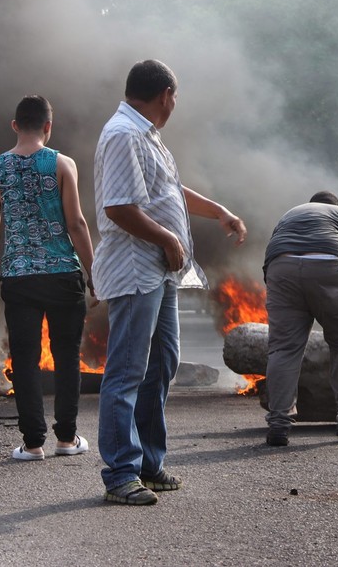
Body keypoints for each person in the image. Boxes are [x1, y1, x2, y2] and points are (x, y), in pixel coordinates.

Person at [93, 59, 247, 505]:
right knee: (126, 371)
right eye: (174, 98)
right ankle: (121, 474)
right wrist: (166, 238)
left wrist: (219, 211)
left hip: (157, 271)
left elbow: (169, 192)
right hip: (135, 269)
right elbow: (118, 207)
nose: (175, 105)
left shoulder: (147, 137)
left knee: (162, 362)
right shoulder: (123, 134)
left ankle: (148, 465)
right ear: (165, 95)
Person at [0, 95, 96, 462]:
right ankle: (67, 439)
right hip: (63, 275)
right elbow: (76, 223)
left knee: (25, 359)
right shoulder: (62, 164)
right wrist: (95, 273)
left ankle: (32, 444)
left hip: (19, 276)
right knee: (65, 356)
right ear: (48, 126)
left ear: (15, 125)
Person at [262, 191, 338, 447]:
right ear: (336, 207)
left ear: (311, 206)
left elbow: (273, 257)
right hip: (328, 264)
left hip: (281, 269)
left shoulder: (290, 214)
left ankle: (278, 423)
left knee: (283, 348)